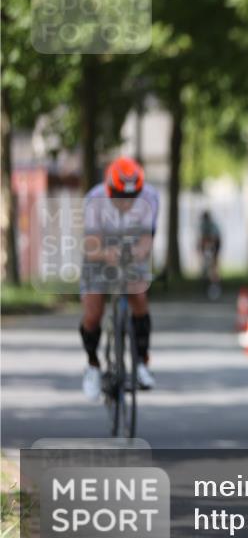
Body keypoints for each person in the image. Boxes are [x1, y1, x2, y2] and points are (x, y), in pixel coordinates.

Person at [79, 156, 160, 401]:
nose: (126, 202)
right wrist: (106, 254)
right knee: (93, 312)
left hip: (131, 250)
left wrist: (135, 255)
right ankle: (93, 366)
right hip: (99, 252)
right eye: (119, 196)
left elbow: (146, 240)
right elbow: (91, 246)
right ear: (108, 188)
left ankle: (142, 363)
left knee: (139, 295)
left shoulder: (150, 197)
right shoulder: (94, 200)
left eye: (132, 196)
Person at [198, 211, 222, 296]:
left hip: (214, 244)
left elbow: (214, 239)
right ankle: (206, 282)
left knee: (213, 266)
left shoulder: (212, 226)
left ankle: (214, 284)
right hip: (209, 245)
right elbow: (202, 240)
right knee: (207, 265)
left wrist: (211, 252)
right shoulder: (203, 225)